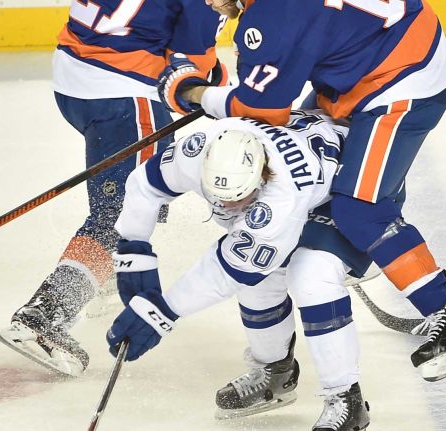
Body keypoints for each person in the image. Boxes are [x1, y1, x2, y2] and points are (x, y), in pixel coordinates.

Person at [158, 0, 446, 381]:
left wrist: (190, 93)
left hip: (401, 79)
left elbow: (263, 110)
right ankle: (353, 243)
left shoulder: (271, 15)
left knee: (360, 208)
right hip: (368, 58)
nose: (207, 2)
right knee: (306, 150)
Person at [0, 0, 227, 377]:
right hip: (124, 92)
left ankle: (98, 273)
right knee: (124, 214)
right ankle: (43, 318)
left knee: (129, 196)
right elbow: (188, 71)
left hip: (73, 77)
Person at [105, 112, 371, 430]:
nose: (226, 207)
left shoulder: (281, 193)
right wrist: (134, 249)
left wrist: (163, 312)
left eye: (237, 199)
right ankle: (274, 373)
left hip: (352, 189)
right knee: (261, 280)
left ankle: (346, 399)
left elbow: (232, 270)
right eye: (218, 198)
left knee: (311, 276)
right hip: (310, 159)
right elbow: (145, 184)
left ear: (261, 177)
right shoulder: (199, 151)